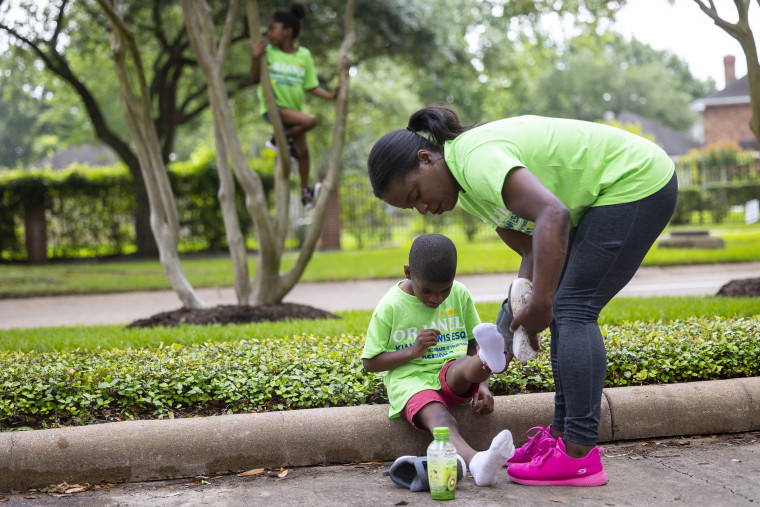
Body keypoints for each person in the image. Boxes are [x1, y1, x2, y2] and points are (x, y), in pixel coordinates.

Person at [367, 106, 678, 487]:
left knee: (571, 307)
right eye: (410, 206)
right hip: (608, 194)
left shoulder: (475, 160)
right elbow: (531, 250)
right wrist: (504, 335)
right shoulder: (468, 194)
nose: (423, 209)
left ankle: (579, 455)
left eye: (416, 194)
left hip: (635, 181)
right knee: (564, 305)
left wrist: (543, 303)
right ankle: (563, 440)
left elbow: (553, 213)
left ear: (426, 158)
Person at [362, 233, 515, 487]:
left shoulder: (460, 293)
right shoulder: (390, 305)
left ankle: (490, 360)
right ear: (408, 273)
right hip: (410, 379)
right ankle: (477, 462)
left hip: (451, 369)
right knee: (443, 420)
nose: (437, 298)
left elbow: (472, 340)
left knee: (465, 366)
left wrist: (483, 387)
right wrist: (412, 351)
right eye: (428, 291)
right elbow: (370, 362)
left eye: (445, 290)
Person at [250, 1, 339, 206]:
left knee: (304, 152)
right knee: (311, 121)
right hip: (275, 109)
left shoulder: (304, 55)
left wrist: (330, 96)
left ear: (288, 31)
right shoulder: (269, 52)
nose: (268, 32)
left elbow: (310, 86)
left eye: (273, 28)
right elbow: (255, 78)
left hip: (293, 112)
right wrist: (255, 58)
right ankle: (276, 140)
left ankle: (305, 193)